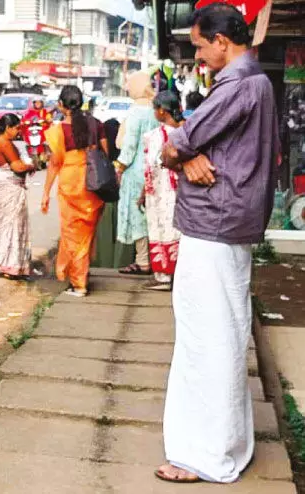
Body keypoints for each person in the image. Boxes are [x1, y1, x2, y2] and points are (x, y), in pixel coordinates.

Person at [156, 4, 278, 484]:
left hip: (215, 225)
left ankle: (206, 455)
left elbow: (175, 142)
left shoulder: (237, 85)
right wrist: (187, 156)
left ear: (222, 41)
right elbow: (184, 146)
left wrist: (181, 153)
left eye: (201, 46)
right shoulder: (256, 83)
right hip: (227, 224)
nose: (198, 56)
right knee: (222, 334)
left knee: (207, 340)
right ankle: (226, 445)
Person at [41, 86, 104, 297]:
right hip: (91, 183)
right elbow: (101, 152)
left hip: (70, 183)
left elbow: (54, 164)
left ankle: (79, 284)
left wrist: (45, 192)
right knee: (86, 234)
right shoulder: (93, 124)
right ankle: (81, 275)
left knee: (72, 235)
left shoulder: (58, 131)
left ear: (60, 105)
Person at [137, 91, 184, 292]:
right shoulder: (185, 131)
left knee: (160, 228)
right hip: (181, 189)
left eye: (155, 109)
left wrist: (143, 193)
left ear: (162, 111)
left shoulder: (156, 136)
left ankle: (163, 275)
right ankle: (178, 275)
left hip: (160, 190)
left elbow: (151, 167)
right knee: (177, 230)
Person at [116, 71, 159, 275]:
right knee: (152, 215)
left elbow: (129, 146)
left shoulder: (135, 113)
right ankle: (156, 260)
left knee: (137, 215)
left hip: (135, 172)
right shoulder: (156, 110)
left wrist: (120, 168)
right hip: (154, 169)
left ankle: (142, 261)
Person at [0, 113, 35, 278]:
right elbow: (17, 167)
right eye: (17, 128)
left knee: (2, 227)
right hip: (8, 190)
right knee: (11, 225)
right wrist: (31, 165)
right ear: (7, 128)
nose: (19, 131)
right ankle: (9, 265)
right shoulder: (4, 143)